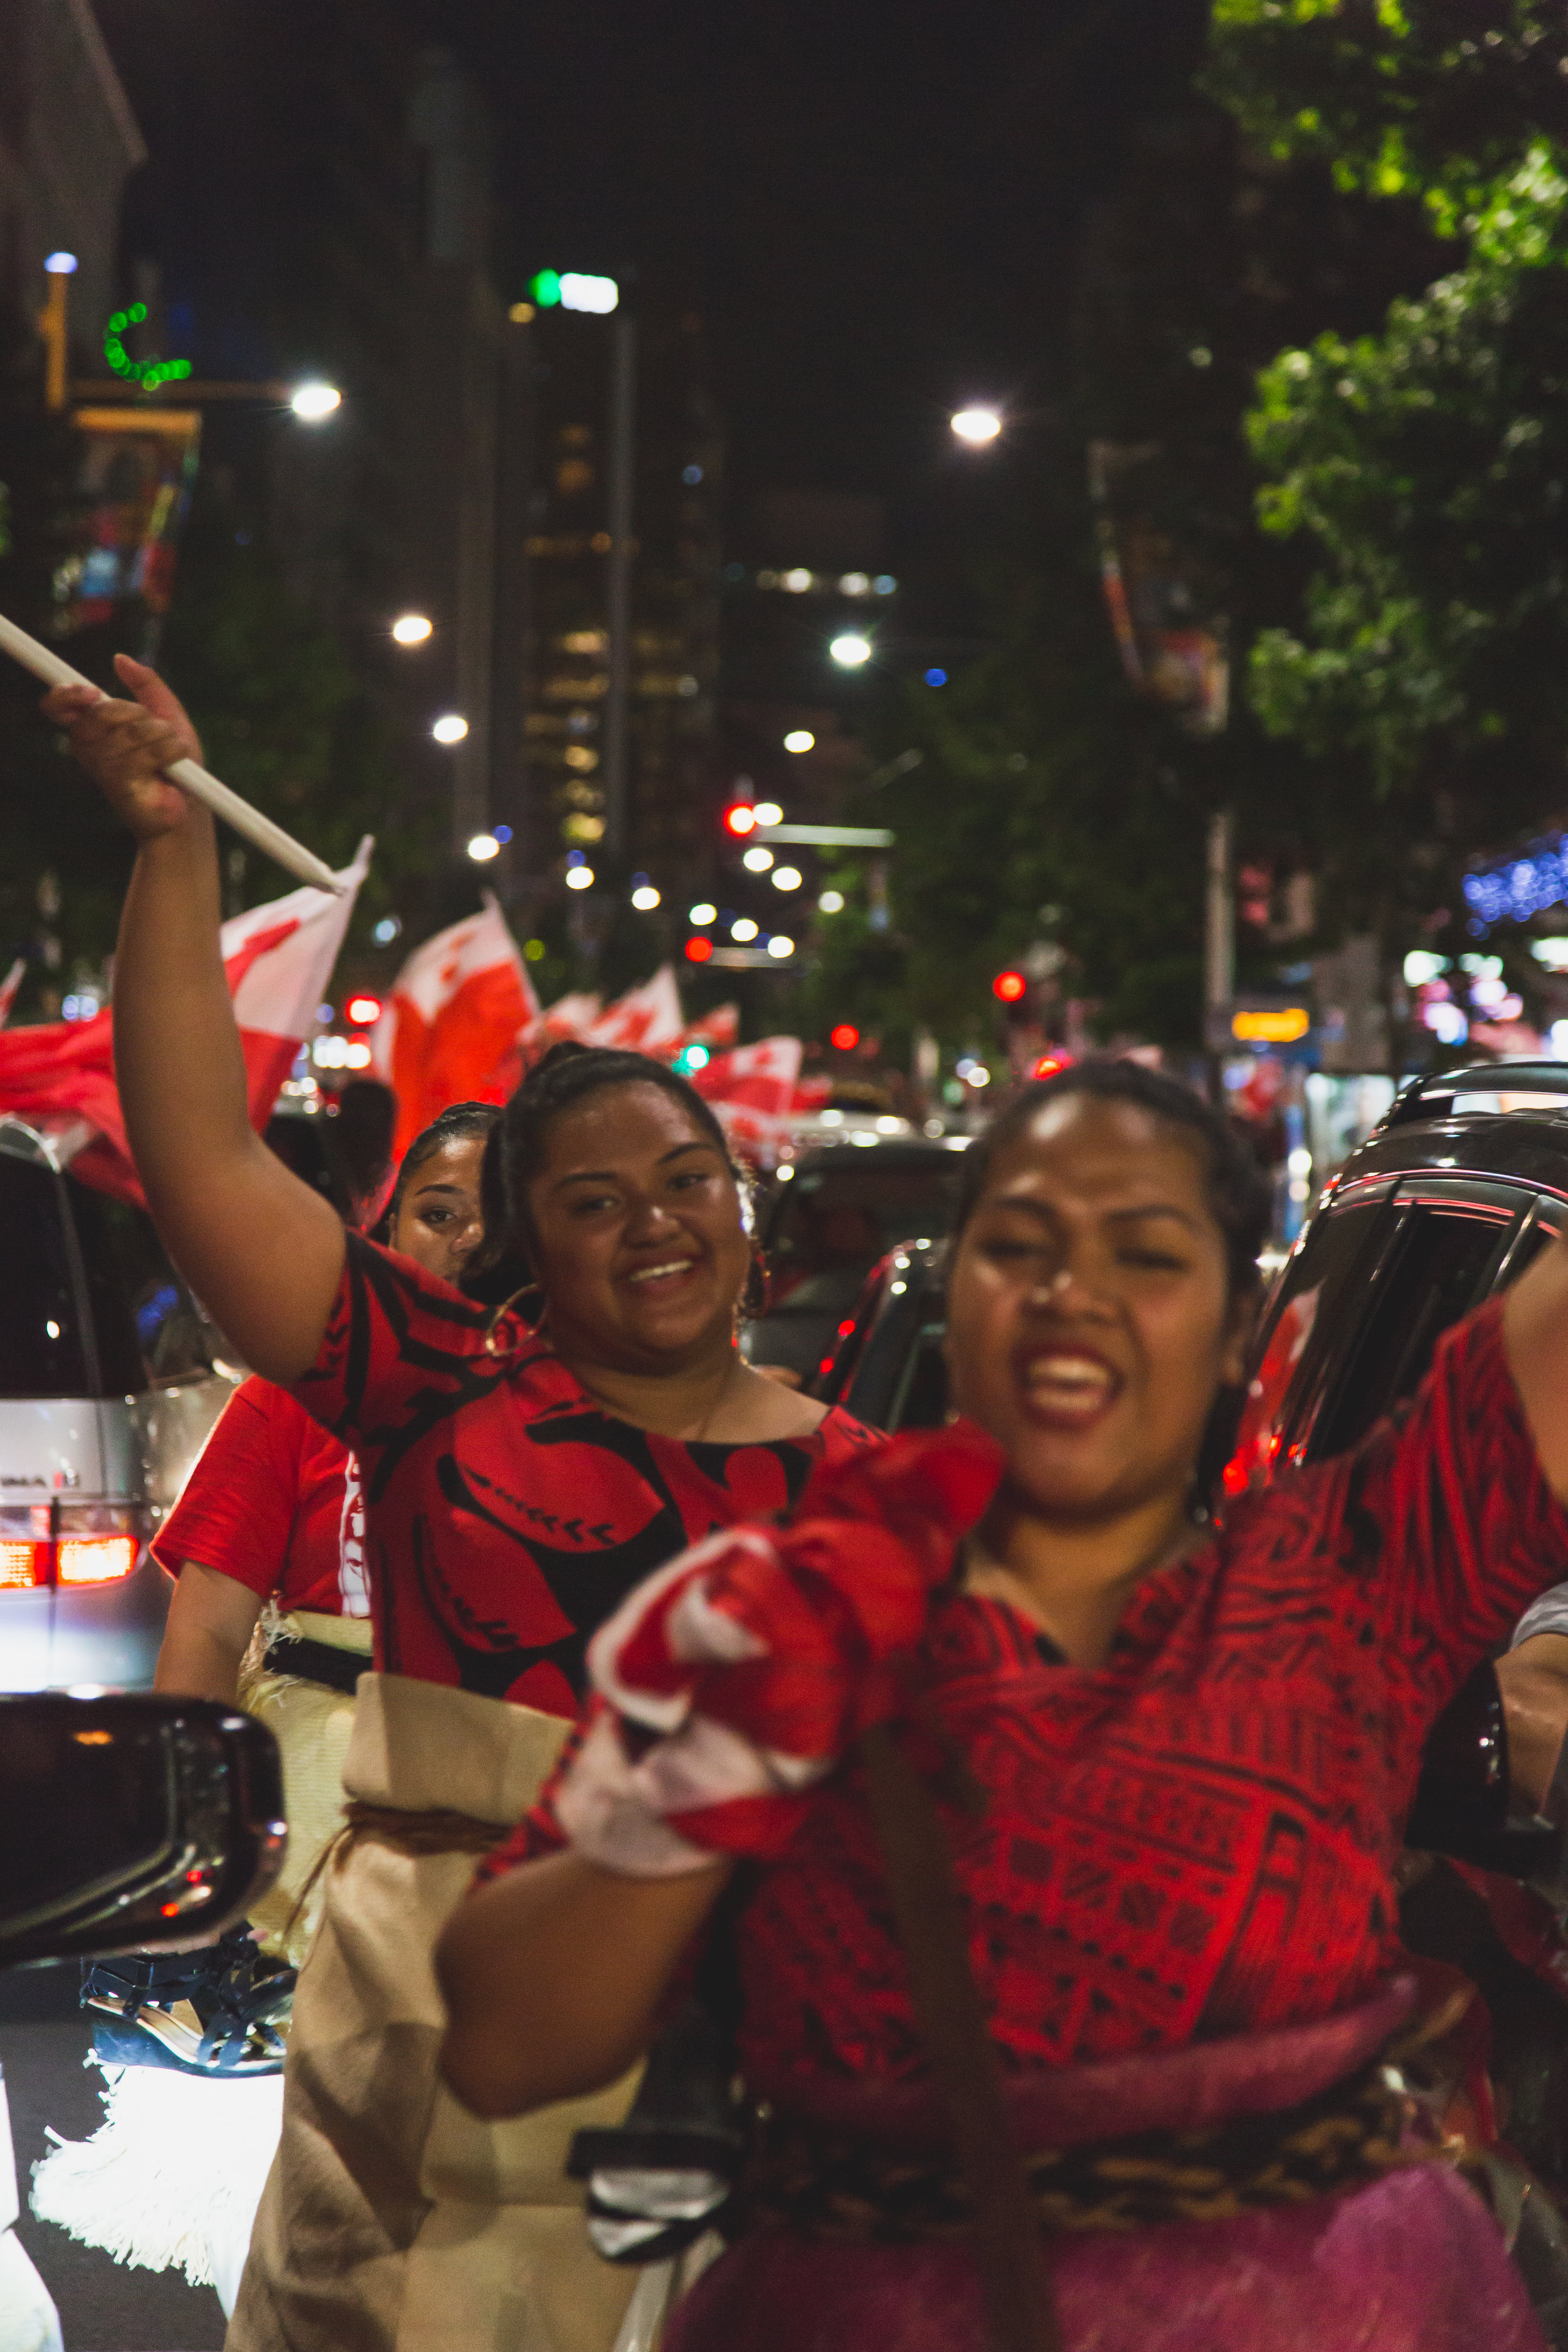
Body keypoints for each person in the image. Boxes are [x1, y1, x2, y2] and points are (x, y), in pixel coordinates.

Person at [438, 1059, 1568, 2352]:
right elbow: (509, 2041)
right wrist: (738, 1746)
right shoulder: (774, 1612)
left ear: (1242, 1338)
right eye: (1021, 1247)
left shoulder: (1358, 1575)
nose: (1073, 1299)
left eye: (1144, 1255)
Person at [43, 654, 880, 2352]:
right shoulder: (433, 1383)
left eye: (684, 1178)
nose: (653, 1221)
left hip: (738, 2150)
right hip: (416, 2126)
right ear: (525, 1244)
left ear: (743, 1210)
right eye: (591, 1197)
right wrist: (168, 847)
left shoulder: (859, 1484)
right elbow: (202, 1151)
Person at [29, 1105, 502, 2319]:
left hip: (504, 1832)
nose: (463, 1247)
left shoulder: (592, 1421)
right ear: (381, 1233)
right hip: (299, 1826)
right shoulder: (287, 1403)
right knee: (297, 2238)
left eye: (498, 1221)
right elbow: (201, 1636)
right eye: (436, 1214)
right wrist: (174, 1851)